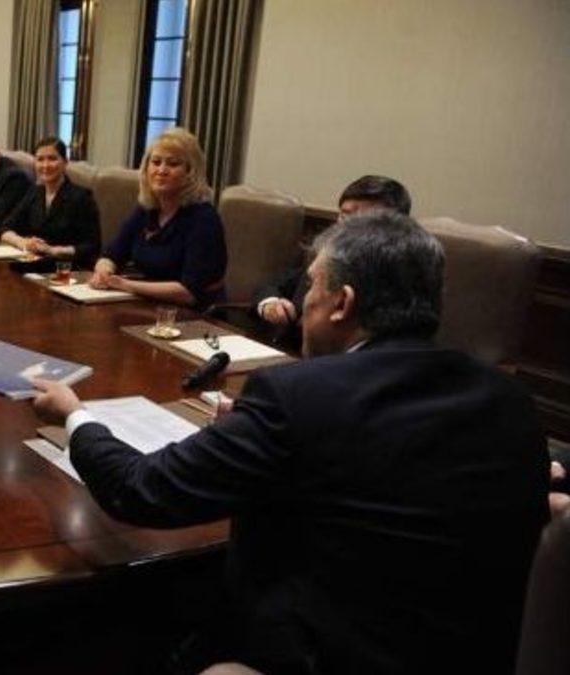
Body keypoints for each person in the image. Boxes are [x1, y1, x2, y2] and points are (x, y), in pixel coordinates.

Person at [32, 212, 549, 673]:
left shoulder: (297, 396)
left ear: (342, 303)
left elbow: (140, 490)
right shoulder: (509, 400)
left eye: (313, 285)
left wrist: (76, 415)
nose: (304, 302)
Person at [253, 175, 412, 346]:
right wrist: (270, 304)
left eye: (363, 220)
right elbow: (272, 286)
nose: (347, 227)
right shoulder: (325, 253)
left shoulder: (399, 280)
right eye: (345, 216)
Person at [89, 128, 226, 308]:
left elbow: (189, 293)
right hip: (148, 306)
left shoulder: (203, 219)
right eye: (155, 162)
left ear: (190, 172)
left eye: (173, 164)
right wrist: (104, 270)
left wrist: (125, 285)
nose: (161, 170)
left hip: (193, 315)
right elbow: (112, 253)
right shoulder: (146, 209)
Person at [0, 136, 100, 269]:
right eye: (40, 159)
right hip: (33, 262)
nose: (45, 165)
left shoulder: (81, 197)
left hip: (64, 267)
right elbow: (4, 228)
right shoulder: (34, 192)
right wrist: (23, 242)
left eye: (52, 158)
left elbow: (92, 246)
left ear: (65, 162)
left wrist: (53, 250)